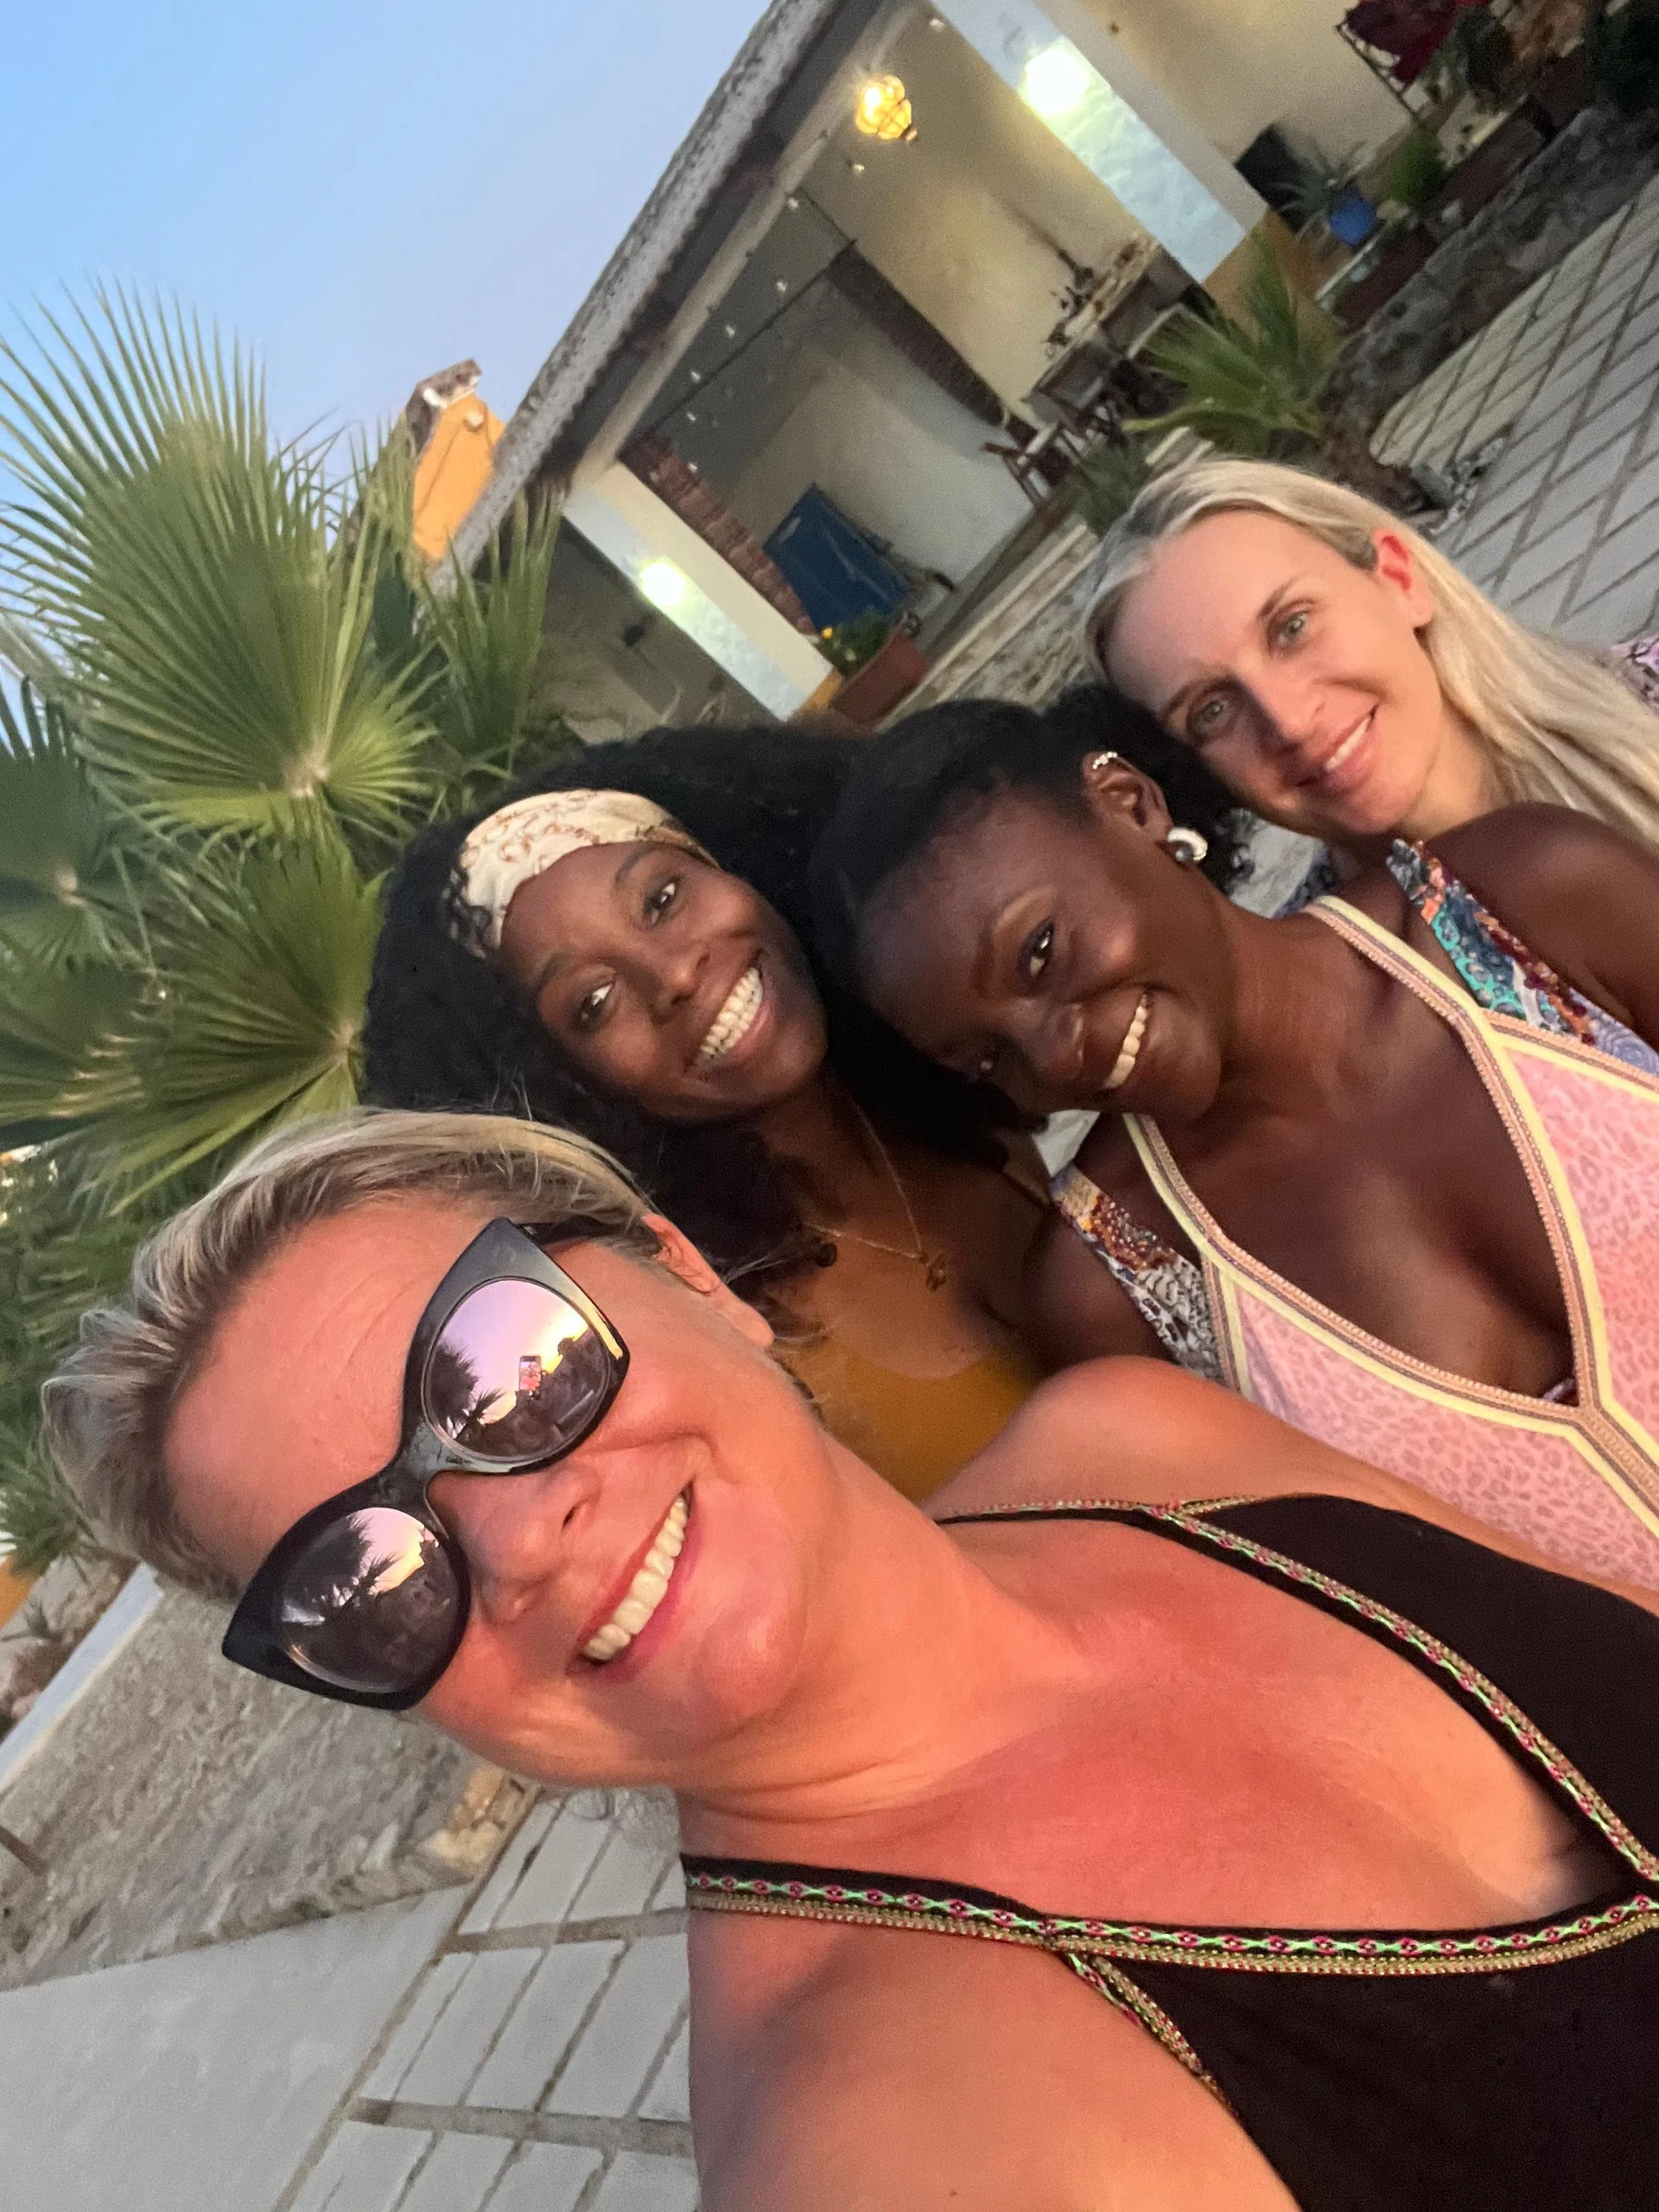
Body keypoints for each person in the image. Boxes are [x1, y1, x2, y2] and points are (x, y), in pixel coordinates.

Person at [42, 1107, 1659, 2210]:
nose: (516, 1536)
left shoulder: (1147, 1443)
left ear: (689, 1276)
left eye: (506, 1370)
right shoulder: (900, 2144)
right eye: (364, 1577)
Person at [809, 693, 1659, 1586]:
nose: (1053, 1057)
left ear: (1132, 805)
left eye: (1040, 953)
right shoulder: (1119, 1289)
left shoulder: (1521, 908)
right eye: (987, 1057)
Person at [365, 726, 1042, 1502]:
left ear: (733, 863)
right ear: (567, 1093)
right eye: (593, 1002)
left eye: (661, 899)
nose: (676, 973)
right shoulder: (729, 1341)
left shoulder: (954, 1073)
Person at [1083, 457, 1659, 911]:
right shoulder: (1334, 1016)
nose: (1289, 721)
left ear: (1399, 578)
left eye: (1293, 627)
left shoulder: (1644, 703)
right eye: (1211, 711)